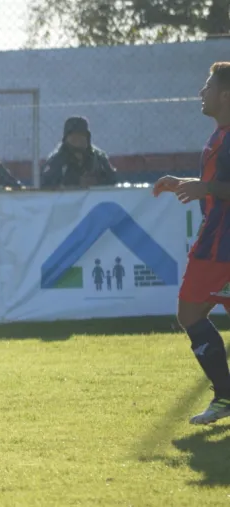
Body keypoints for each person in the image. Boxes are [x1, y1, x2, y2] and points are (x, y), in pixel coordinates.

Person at [153, 61, 230, 425]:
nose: (202, 92)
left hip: (219, 245)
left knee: (189, 313)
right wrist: (185, 183)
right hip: (218, 239)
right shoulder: (219, 135)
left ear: (226, 95)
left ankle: (225, 397)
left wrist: (206, 187)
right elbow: (215, 185)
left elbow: (216, 187)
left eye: (208, 87)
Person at [41, 117, 117, 189]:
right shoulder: (56, 161)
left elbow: (113, 181)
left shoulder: (98, 158)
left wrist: (97, 181)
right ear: (66, 138)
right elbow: (46, 186)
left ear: (87, 137)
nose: (78, 139)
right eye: (73, 135)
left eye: (81, 135)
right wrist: (75, 182)